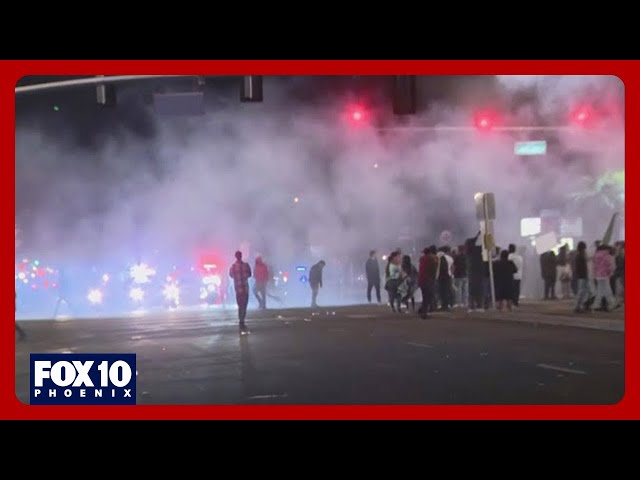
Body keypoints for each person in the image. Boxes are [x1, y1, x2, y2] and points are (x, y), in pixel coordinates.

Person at [228, 251, 252, 334]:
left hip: (238, 289)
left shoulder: (233, 267)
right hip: (245, 288)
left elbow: (231, 275)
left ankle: (241, 321)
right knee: (244, 305)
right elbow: (249, 274)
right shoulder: (246, 265)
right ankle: (242, 320)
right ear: (241, 256)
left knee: (240, 305)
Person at [592, 245, 617, 312]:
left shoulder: (596, 255)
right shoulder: (607, 256)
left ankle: (596, 305)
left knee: (600, 290)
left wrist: (594, 274)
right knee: (607, 289)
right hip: (605, 275)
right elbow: (610, 266)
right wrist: (611, 273)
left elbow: (594, 266)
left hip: (598, 275)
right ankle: (612, 303)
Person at [418, 247, 438, 318]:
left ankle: (423, 310)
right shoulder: (433, 258)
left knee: (425, 296)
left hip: (421, 279)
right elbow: (434, 269)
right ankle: (424, 313)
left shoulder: (422, 259)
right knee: (428, 296)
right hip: (428, 280)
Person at [574, 241, 591, 313]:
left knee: (585, 290)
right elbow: (581, 267)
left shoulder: (579, 255)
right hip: (582, 275)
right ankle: (579, 306)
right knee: (583, 291)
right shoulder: (580, 256)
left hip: (582, 275)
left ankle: (583, 305)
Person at [436, 246, 453, 311]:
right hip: (448, 275)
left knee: (442, 291)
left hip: (441, 276)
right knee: (447, 291)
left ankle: (444, 305)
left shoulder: (440, 257)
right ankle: (448, 304)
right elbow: (452, 267)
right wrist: (451, 274)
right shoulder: (450, 258)